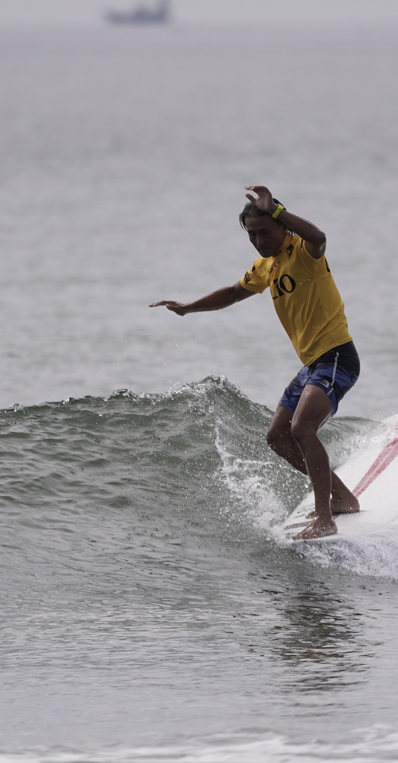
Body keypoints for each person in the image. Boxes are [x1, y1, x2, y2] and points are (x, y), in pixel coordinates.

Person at [149, 185, 360, 540]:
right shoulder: (266, 267)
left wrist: (276, 209)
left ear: (282, 228)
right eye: (252, 235)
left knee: (302, 429)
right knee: (278, 436)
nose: (259, 240)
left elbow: (319, 236)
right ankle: (342, 497)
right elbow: (233, 293)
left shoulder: (304, 252)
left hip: (337, 356)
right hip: (312, 364)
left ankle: (326, 517)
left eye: (265, 232)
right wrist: (187, 308)